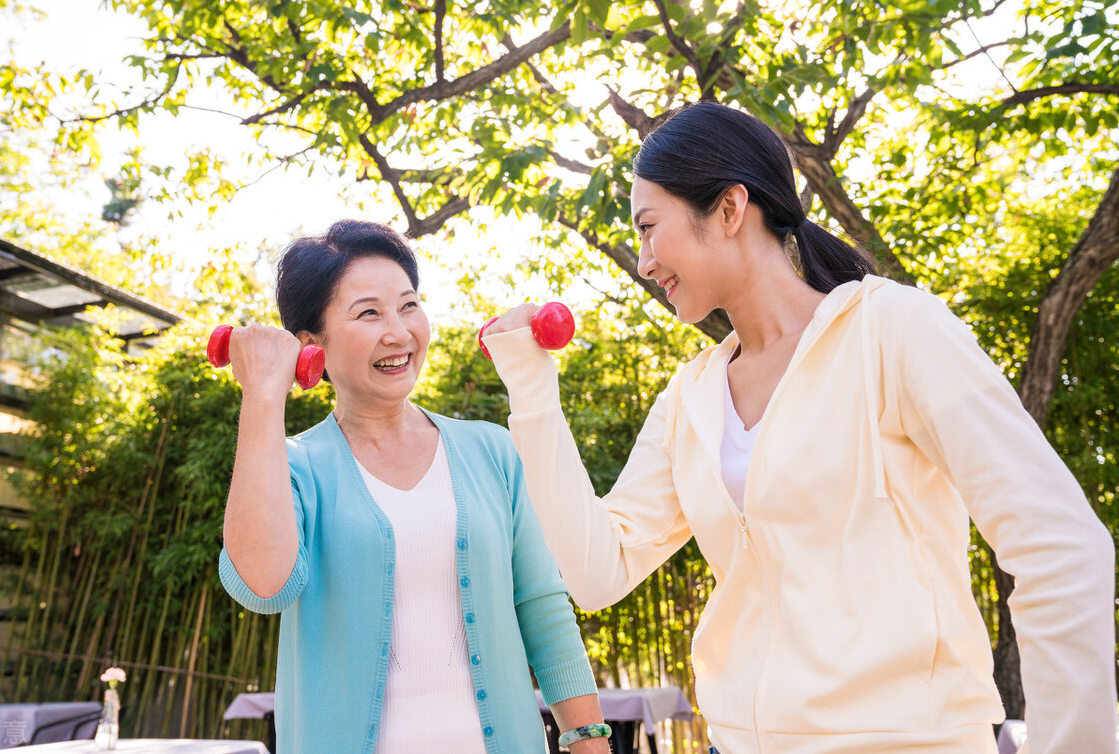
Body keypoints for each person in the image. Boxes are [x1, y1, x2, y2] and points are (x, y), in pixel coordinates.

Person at [481, 102, 1118, 754]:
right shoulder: (691, 396)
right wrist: (533, 392)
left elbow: (1062, 546)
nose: (643, 260)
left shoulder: (892, 331)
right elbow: (597, 572)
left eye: (649, 227)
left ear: (730, 209)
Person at [218, 220, 609, 754]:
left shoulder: (491, 451)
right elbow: (263, 586)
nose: (399, 332)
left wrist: (589, 743)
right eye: (368, 313)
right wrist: (262, 396)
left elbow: (542, 607)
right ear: (311, 346)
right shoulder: (296, 467)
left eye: (408, 305)